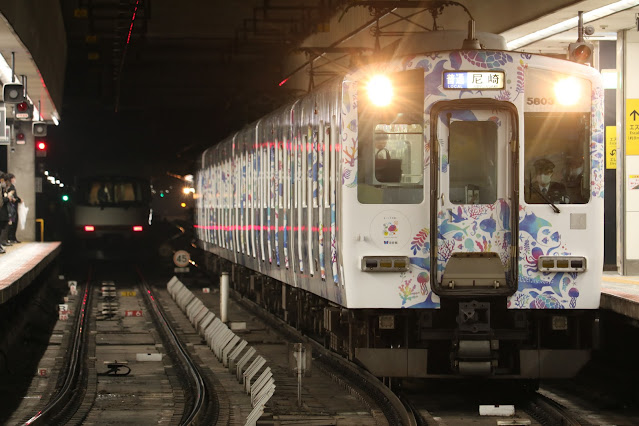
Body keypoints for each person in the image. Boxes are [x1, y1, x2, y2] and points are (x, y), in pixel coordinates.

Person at [6, 173, 21, 243]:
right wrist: (18, 200)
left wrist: (18, 199)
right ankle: (11, 238)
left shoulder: (12, 187)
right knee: (13, 223)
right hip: (12, 208)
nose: (15, 180)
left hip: (13, 208)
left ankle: (13, 237)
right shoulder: (11, 187)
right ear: (11, 179)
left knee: (14, 223)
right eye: (14, 178)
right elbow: (12, 198)